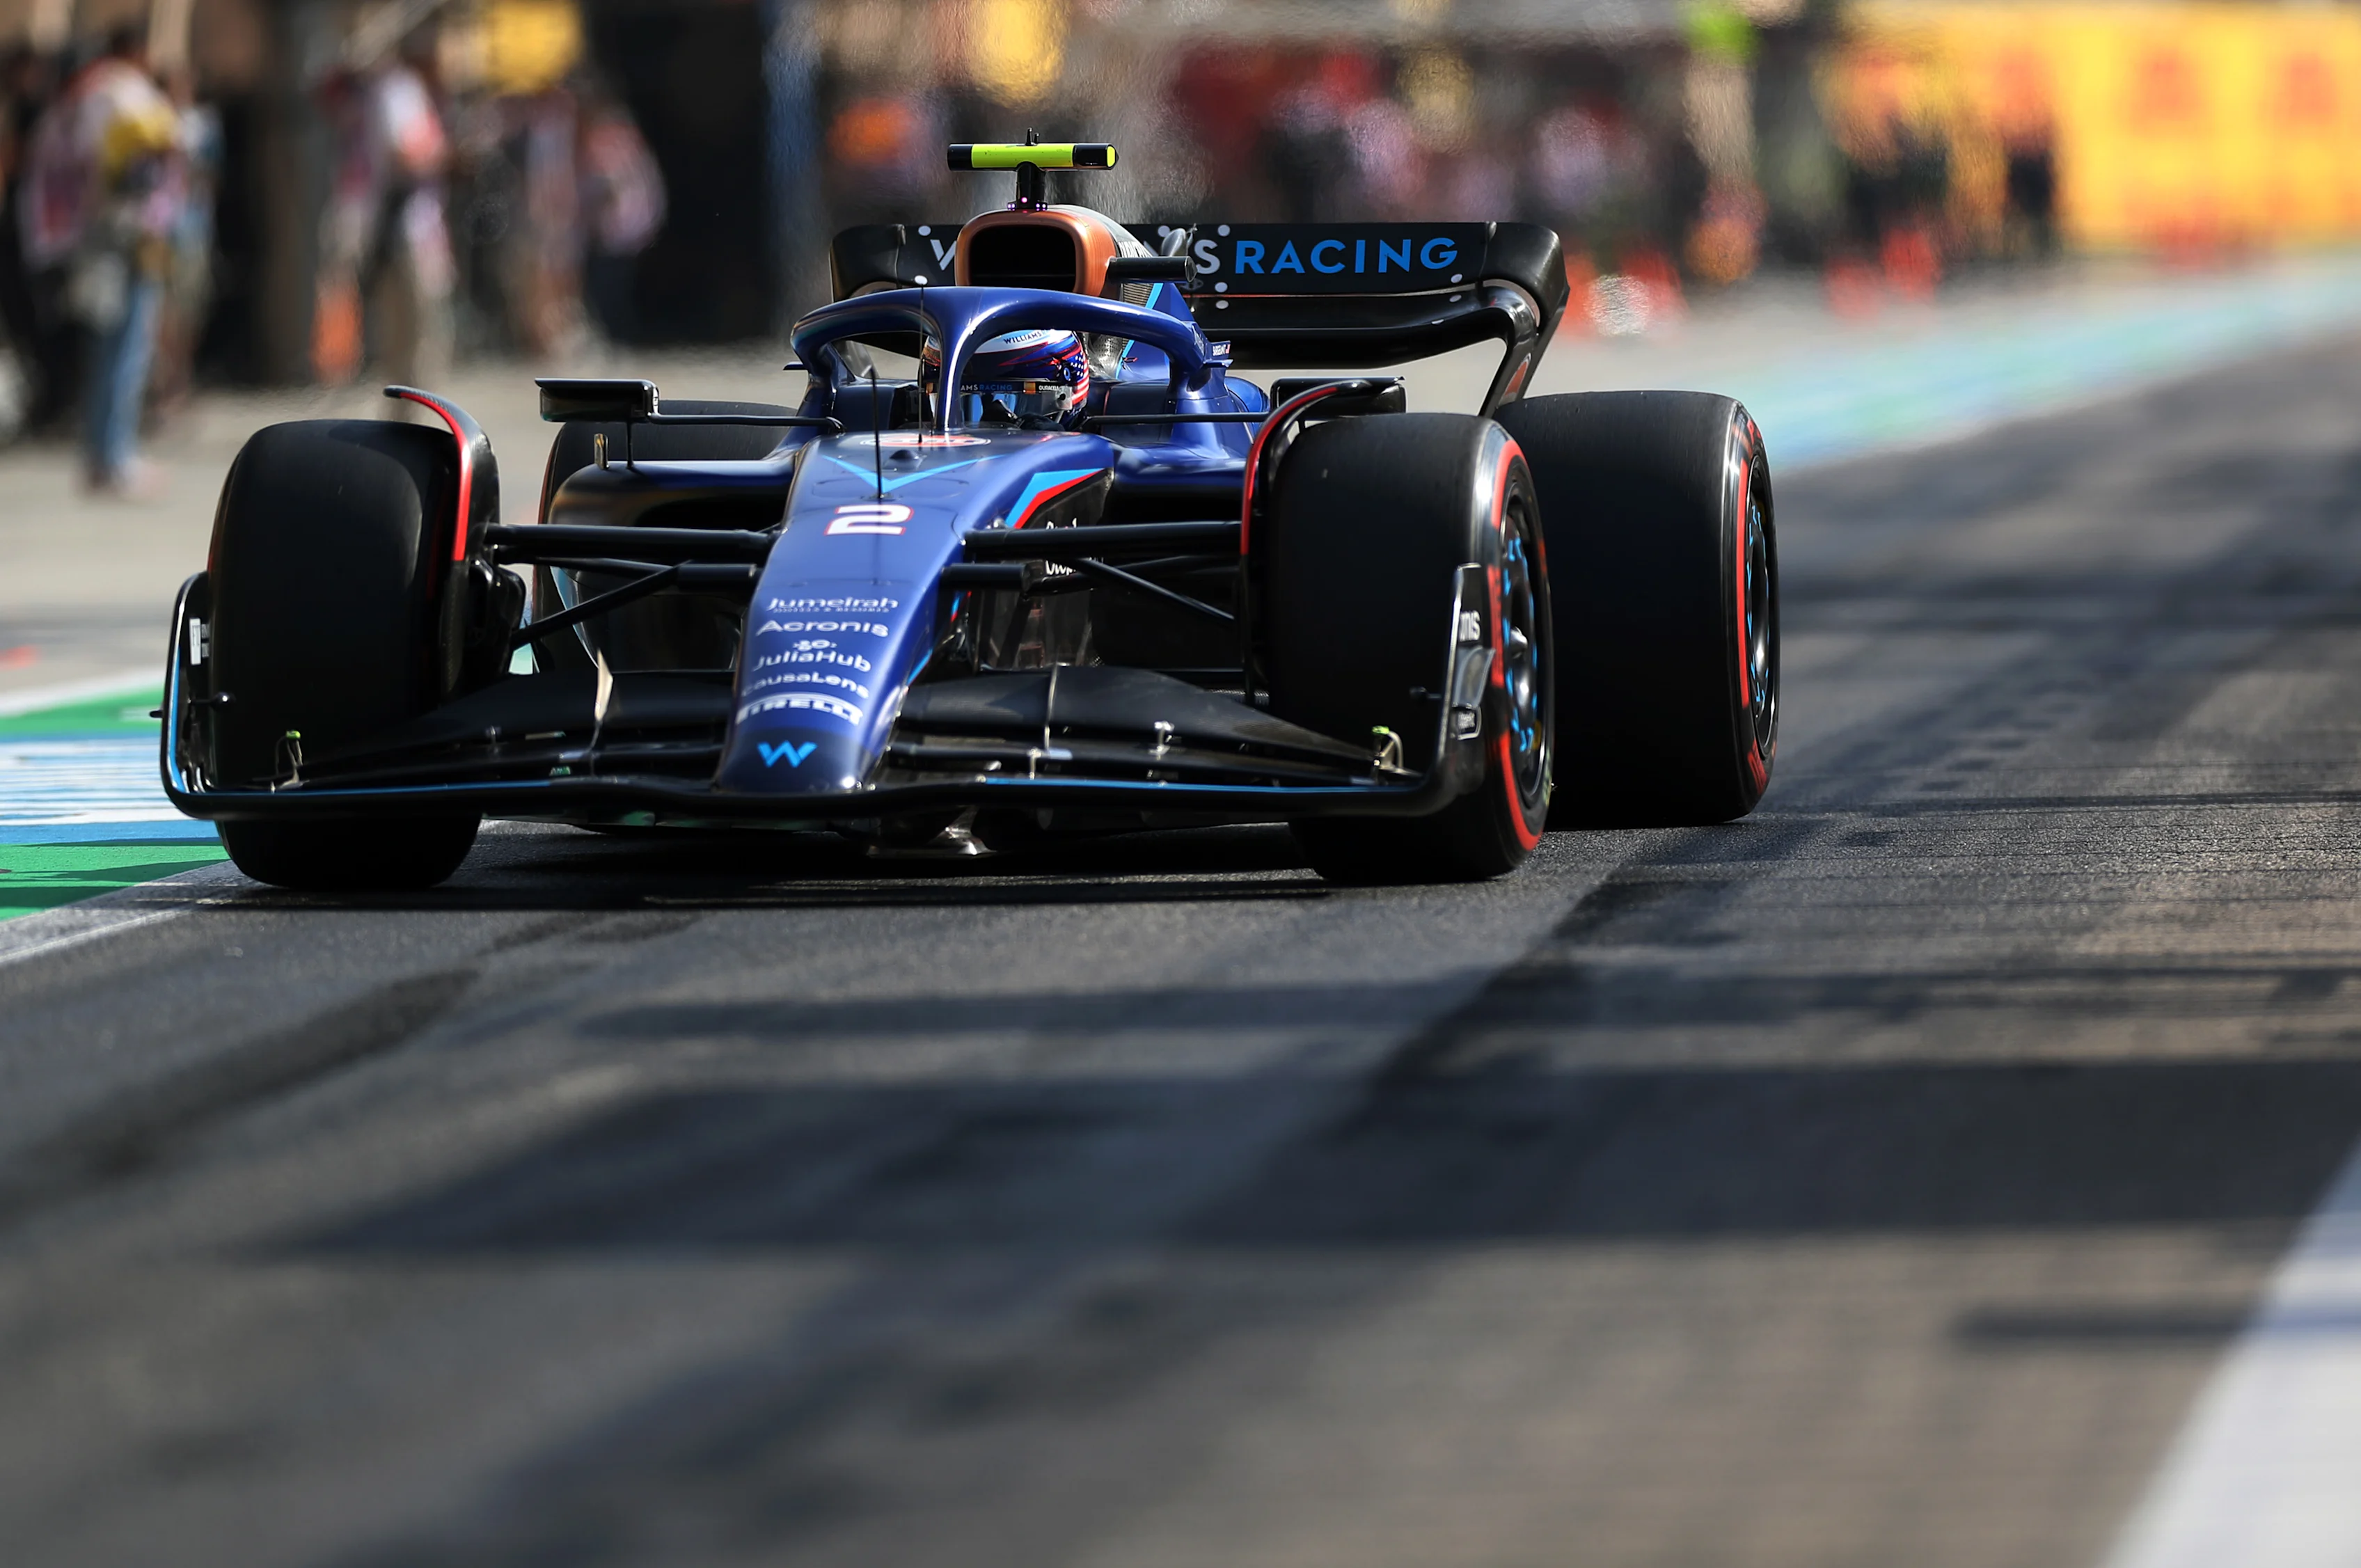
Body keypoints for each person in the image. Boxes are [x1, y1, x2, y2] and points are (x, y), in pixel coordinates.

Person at [20, 28, 181, 493]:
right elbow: (164, 140)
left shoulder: (78, 97)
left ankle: (102, 454)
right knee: (125, 347)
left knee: (103, 346)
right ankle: (113, 457)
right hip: (125, 235)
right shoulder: (121, 92)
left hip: (88, 236)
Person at [317, 37, 453, 387]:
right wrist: (449, 155)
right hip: (405, 229)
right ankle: (411, 413)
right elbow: (407, 154)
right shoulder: (399, 89)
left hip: (393, 226)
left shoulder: (382, 91)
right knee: (413, 332)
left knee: (403, 332)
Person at [576, 88, 665, 345]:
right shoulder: (628, 137)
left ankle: (617, 334)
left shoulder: (607, 139)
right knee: (619, 283)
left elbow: (609, 182)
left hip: (618, 226)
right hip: (634, 223)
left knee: (610, 285)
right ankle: (622, 332)